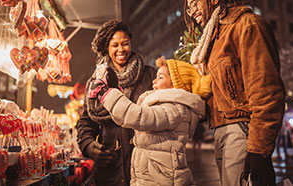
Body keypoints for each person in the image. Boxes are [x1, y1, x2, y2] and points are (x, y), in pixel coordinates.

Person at [184, 0, 286, 186]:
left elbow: (266, 91)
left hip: (242, 130)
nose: (191, 11)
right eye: (188, 8)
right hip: (221, 131)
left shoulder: (247, 25)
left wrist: (259, 151)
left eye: (195, 3)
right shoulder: (213, 39)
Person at [87, 56, 212, 186]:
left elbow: (139, 116)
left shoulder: (175, 109)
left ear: (176, 83)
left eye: (161, 77)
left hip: (163, 178)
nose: (154, 81)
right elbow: (127, 117)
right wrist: (114, 93)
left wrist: (105, 94)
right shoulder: (165, 105)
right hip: (154, 176)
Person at [76, 20, 157, 186]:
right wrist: (90, 147)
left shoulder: (149, 75)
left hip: (145, 166)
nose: (121, 49)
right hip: (109, 170)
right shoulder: (96, 82)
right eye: (115, 45)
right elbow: (86, 123)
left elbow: (160, 114)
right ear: (107, 48)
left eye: (125, 43)